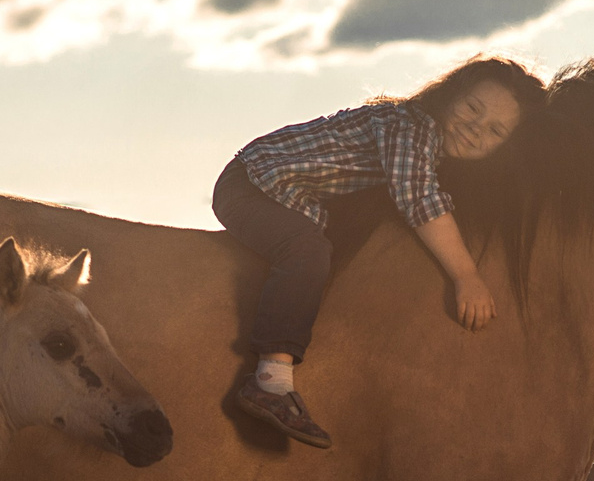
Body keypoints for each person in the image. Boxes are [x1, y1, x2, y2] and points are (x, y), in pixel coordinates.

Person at [214, 57, 543, 449]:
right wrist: (466, 277)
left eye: (495, 131)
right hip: (253, 183)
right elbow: (419, 198)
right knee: (306, 252)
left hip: (289, 196)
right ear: (450, 93)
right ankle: (270, 380)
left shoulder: (430, 150)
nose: (476, 129)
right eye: (473, 108)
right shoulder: (411, 127)